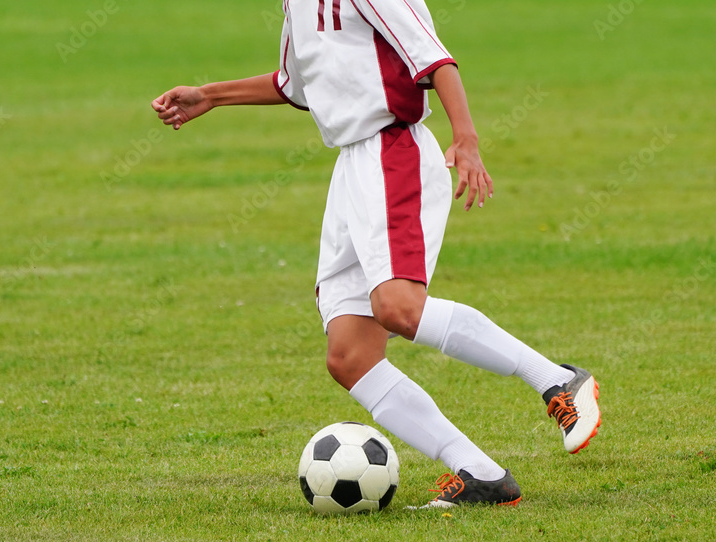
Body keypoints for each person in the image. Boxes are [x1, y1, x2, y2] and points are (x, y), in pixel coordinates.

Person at [151, 0, 600, 508]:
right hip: (351, 170)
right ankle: (481, 475)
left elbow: (435, 62)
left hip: (393, 152)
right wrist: (209, 95)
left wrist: (467, 140)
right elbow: (293, 84)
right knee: (350, 355)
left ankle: (556, 379)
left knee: (398, 308)